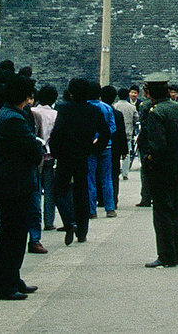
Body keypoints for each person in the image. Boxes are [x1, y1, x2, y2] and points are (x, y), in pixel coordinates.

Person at [0, 74, 42, 300]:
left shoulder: (11, 115)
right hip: (15, 183)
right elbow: (33, 150)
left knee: (14, 234)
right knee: (12, 235)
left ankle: (13, 277)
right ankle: (6, 283)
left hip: (14, 181)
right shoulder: (13, 118)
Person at [48, 78, 110, 245]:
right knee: (81, 193)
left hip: (65, 156)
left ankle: (69, 221)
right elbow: (105, 133)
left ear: (71, 93)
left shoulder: (64, 109)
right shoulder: (94, 111)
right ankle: (82, 231)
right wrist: (94, 150)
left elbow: (57, 133)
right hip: (84, 155)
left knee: (59, 191)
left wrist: (55, 152)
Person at [139, 74, 178, 268]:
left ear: (150, 92)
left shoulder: (155, 112)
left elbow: (156, 146)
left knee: (161, 212)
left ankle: (166, 255)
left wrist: (149, 162)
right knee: (176, 210)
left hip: (161, 169)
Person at [29, 85, 60, 255]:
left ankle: (35, 225)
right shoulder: (56, 115)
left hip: (36, 155)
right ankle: (49, 221)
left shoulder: (32, 112)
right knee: (50, 190)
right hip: (50, 154)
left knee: (35, 191)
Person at [86, 82, 117, 219]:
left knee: (90, 179)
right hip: (106, 146)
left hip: (89, 147)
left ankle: (92, 210)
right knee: (106, 178)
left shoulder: (85, 107)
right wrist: (101, 138)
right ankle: (110, 208)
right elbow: (112, 127)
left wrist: (93, 138)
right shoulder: (107, 108)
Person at [100, 86, 128, 210]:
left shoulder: (97, 111)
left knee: (98, 174)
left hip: (99, 146)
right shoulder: (117, 114)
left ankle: (101, 199)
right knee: (113, 175)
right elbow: (121, 133)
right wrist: (124, 150)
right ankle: (113, 200)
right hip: (115, 149)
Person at [113, 88, 137, 182]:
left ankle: (116, 171)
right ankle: (125, 173)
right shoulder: (132, 107)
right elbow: (136, 119)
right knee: (126, 154)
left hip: (116, 134)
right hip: (128, 133)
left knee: (116, 154)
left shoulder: (115, 106)